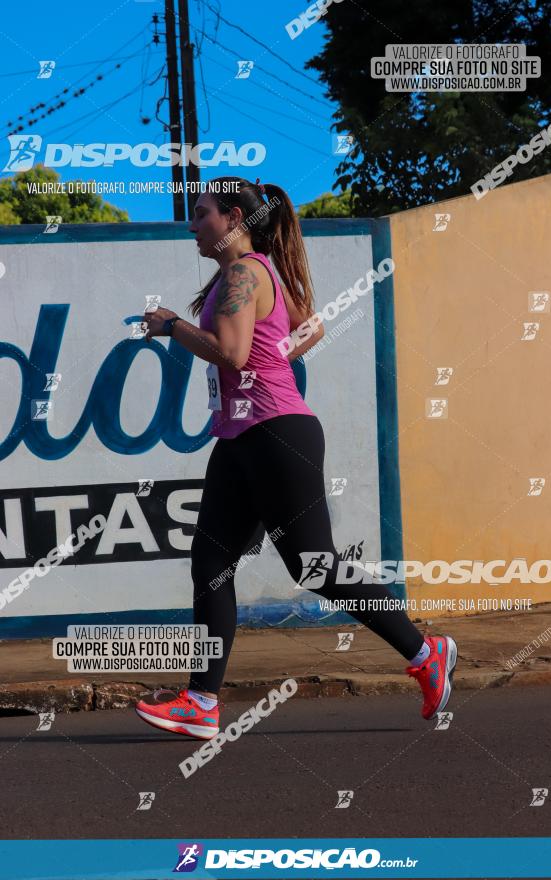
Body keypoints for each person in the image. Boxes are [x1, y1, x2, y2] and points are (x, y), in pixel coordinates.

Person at [134, 176, 457, 739]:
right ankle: (202, 702)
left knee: (314, 566)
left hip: (276, 434)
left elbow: (233, 355)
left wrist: (172, 327)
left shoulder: (244, 273)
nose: (191, 224)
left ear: (233, 217)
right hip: (239, 439)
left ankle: (424, 651)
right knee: (211, 567)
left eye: (201, 213)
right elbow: (310, 328)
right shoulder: (253, 272)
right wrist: (271, 359)